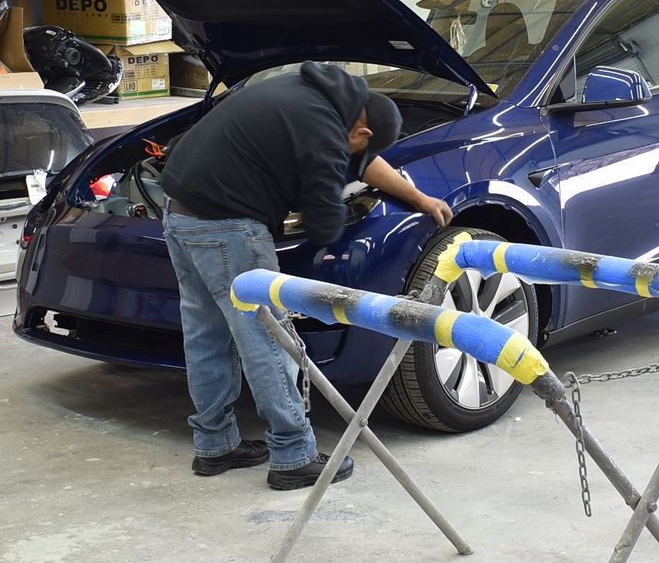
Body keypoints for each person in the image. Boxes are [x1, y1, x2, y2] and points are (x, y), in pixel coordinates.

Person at [161, 61, 454, 489]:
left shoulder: (318, 92)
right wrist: (332, 187)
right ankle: (293, 454)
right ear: (362, 133)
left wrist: (418, 197)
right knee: (268, 339)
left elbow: (362, 157)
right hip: (228, 227)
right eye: (358, 153)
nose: (356, 160)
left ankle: (214, 445)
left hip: (178, 215)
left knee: (206, 334)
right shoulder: (324, 135)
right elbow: (324, 227)